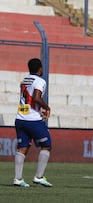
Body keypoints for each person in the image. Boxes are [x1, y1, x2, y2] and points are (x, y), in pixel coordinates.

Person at [14, 58, 53, 187]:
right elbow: (36, 97)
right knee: (46, 145)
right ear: (40, 69)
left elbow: (29, 97)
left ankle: (18, 179)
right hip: (32, 119)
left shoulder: (24, 80)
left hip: (20, 118)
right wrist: (46, 107)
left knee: (22, 148)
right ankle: (39, 177)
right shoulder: (40, 81)